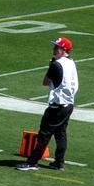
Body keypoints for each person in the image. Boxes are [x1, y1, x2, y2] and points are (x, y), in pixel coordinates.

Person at [20, 37, 78, 172]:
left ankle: (32, 162)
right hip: (68, 104)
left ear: (64, 50)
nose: (53, 50)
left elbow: (45, 82)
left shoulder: (56, 65)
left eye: (56, 47)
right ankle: (59, 162)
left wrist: (50, 66)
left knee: (44, 135)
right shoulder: (71, 63)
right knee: (61, 133)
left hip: (57, 106)